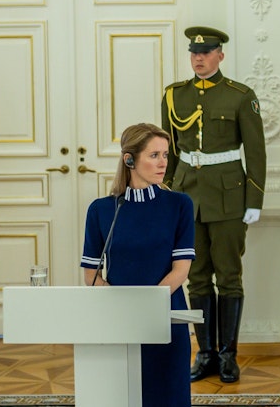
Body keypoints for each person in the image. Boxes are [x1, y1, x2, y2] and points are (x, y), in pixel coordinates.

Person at [160, 26, 265, 383]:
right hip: (187, 196)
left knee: (229, 276)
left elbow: (256, 153)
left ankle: (227, 356)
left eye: (205, 53)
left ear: (220, 55)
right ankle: (204, 354)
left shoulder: (239, 96)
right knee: (197, 278)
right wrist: (166, 194)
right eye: (193, 53)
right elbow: (170, 152)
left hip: (229, 197)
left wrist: (254, 198)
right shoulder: (174, 96)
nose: (198, 59)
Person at [80, 123, 195, 407]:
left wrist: (147, 303)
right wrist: (123, 306)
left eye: (165, 155)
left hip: (166, 315)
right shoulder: (102, 210)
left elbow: (180, 270)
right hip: (120, 320)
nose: (163, 163)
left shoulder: (179, 205)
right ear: (129, 159)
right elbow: (91, 275)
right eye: (154, 155)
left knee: (169, 396)